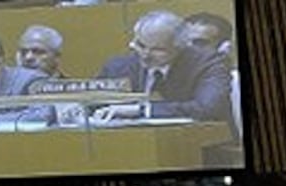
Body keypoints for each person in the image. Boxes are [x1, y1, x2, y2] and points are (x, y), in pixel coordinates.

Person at [92, 10, 232, 123]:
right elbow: (93, 101)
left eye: (157, 50)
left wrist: (142, 110)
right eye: (141, 45)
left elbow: (209, 108)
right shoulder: (119, 66)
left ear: (180, 47)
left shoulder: (208, 63)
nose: (145, 55)